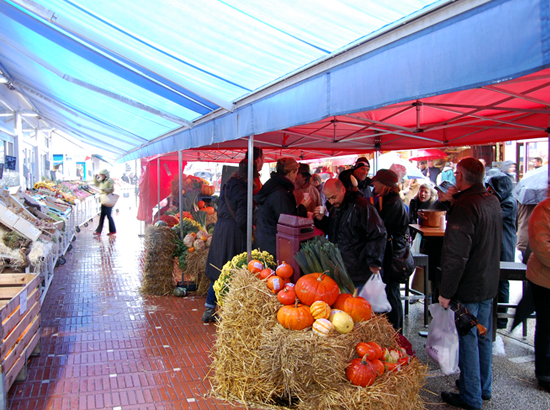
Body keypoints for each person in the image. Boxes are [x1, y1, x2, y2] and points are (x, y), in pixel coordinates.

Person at [438, 157, 502, 410]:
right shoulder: (490, 199)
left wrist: (446, 292)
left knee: (468, 340)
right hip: (487, 281)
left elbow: (457, 255)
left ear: (460, 176)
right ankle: (482, 389)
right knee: (483, 338)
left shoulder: (466, 205)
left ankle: (471, 395)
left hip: (469, 286)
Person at [202, 160, 256, 322]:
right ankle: (232, 311)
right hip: (233, 234)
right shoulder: (243, 190)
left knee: (218, 269)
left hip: (221, 229)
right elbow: (241, 219)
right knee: (233, 270)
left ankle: (209, 308)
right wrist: (252, 229)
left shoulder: (228, 184)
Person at [313, 179, 386, 289]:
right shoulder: (336, 208)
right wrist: (321, 220)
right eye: (328, 199)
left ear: (343, 190)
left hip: (359, 270)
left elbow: (377, 233)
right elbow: (333, 230)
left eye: (333, 197)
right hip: (343, 268)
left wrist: (374, 261)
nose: (331, 202)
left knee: (359, 304)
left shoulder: (362, 206)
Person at [371, 169, 410, 333]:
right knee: (390, 293)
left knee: (392, 294)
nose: (373, 184)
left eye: (377, 182)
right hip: (390, 254)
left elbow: (382, 230)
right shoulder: (387, 200)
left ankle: (396, 333)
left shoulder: (393, 203)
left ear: (385, 185)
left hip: (393, 256)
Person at [254, 157, 309, 256]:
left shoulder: (272, 185)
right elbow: (288, 220)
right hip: (273, 244)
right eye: (296, 173)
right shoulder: (281, 192)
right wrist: (302, 207)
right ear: (292, 172)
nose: (296, 176)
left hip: (264, 239)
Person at [486, 170, 517, 330]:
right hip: (497, 245)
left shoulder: (509, 202)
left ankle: (501, 319)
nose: (489, 192)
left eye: (492, 189)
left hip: (504, 246)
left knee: (502, 281)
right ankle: (496, 315)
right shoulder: (503, 200)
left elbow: (493, 216)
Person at [526, 194, 550, 393]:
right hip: (544, 279)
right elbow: (541, 245)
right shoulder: (544, 210)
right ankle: (544, 372)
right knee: (547, 325)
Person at [93, 169, 117, 236]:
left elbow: (112, 189)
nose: (101, 176)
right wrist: (95, 178)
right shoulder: (102, 181)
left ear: (105, 175)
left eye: (102, 175)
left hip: (108, 199)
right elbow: (96, 184)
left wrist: (105, 190)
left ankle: (113, 230)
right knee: (102, 215)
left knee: (108, 215)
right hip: (103, 199)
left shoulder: (110, 180)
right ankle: (99, 231)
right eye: (101, 175)